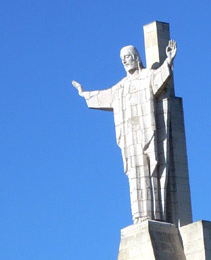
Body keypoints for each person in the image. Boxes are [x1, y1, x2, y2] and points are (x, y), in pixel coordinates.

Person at [72, 40, 177, 224]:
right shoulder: (120, 87)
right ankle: (139, 216)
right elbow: (103, 96)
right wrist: (84, 94)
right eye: (122, 59)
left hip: (147, 135)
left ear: (136, 58)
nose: (124, 61)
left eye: (128, 57)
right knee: (134, 176)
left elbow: (160, 77)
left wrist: (168, 60)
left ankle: (153, 214)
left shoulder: (147, 77)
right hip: (130, 139)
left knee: (150, 171)